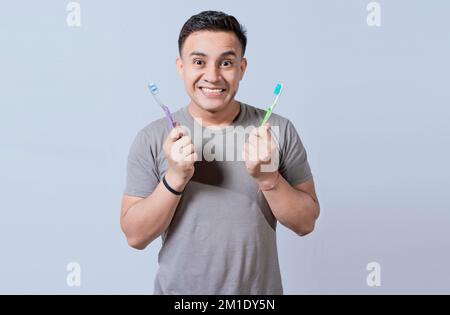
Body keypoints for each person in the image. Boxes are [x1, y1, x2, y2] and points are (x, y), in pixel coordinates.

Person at [120, 10, 320, 295]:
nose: (212, 76)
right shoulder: (153, 138)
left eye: (226, 62)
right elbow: (135, 236)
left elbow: (306, 223)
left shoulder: (278, 130)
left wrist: (269, 178)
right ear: (181, 67)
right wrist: (175, 178)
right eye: (199, 62)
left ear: (242, 68)